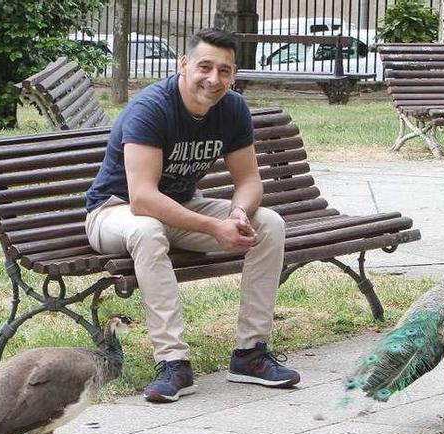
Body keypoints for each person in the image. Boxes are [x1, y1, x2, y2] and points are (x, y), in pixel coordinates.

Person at [84, 27, 300, 403]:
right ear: (183, 64)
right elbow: (143, 199)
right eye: (205, 67)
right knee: (149, 230)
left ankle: (250, 354)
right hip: (114, 211)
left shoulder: (232, 108)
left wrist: (237, 213)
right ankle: (174, 363)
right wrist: (214, 227)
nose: (214, 79)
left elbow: (249, 180)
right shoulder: (152, 108)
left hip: (180, 208)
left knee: (269, 224)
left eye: (225, 70)